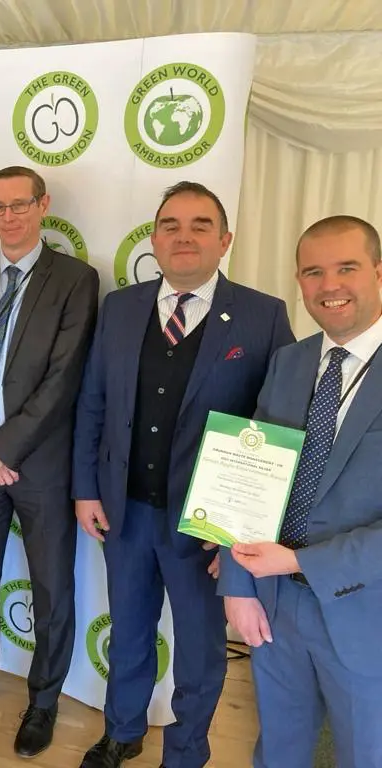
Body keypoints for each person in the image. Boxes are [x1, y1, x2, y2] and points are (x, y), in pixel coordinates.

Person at [72, 181, 294, 768]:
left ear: (225, 239)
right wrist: (85, 488)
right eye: (170, 224)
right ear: (154, 238)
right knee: (129, 631)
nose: (184, 236)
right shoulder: (121, 307)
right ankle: (122, 731)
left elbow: (280, 429)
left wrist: (244, 531)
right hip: (124, 512)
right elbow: (93, 401)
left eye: (200, 225)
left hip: (207, 528)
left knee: (199, 650)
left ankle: (187, 752)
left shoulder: (262, 316)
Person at [0, 165, 99, 757]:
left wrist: (4, 449)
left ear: (42, 206)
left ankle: (45, 699)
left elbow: (64, 378)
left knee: (51, 584)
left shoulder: (76, 279)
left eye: (18, 205)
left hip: (41, 463)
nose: (8, 216)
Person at [220, 215, 382, 768]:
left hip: (366, 611)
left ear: (379, 273)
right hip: (275, 606)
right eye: (314, 272)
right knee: (280, 751)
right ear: (298, 281)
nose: (329, 285)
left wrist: (301, 560)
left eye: (347, 268)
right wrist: (237, 587)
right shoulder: (288, 363)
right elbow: (248, 479)